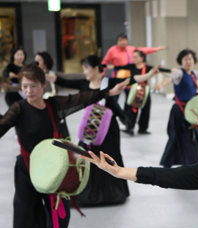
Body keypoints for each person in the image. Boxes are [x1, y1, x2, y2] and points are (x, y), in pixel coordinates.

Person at [0, 63, 127, 228]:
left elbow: (81, 98)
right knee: (26, 215)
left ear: (43, 85)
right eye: (25, 86)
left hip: (55, 168)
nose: (29, 91)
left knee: (59, 212)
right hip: (28, 168)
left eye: (33, 86)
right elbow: (2, 125)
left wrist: (106, 92)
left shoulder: (52, 105)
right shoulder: (19, 109)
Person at [47, 55, 159, 207]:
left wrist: (149, 75)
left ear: (95, 68)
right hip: (89, 127)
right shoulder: (84, 83)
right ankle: (87, 191)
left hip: (108, 128)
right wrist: (44, 75)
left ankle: (113, 192)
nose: (85, 71)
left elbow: (131, 80)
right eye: (84, 68)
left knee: (110, 156)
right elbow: (62, 81)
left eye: (87, 68)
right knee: (87, 157)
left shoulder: (109, 82)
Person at [115, 49, 171, 135]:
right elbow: (119, 67)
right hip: (134, 91)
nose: (134, 59)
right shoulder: (132, 66)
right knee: (132, 109)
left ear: (142, 58)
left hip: (145, 91)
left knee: (146, 109)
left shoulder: (147, 67)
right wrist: (107, 66)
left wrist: (171, 71)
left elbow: (160, 69)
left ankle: (143, 128)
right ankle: (130, 127)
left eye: (136, 57)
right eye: (133, 57)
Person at [101, 33, 166, 70]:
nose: (123, 42)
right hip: (118, 73)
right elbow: (105, 62)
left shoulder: (131, 49)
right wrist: (102, 72)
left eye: (125, 40)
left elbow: (144, 50)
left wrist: (156, 49)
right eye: (121, 40)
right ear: (117, 41)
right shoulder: (112, 50)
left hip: (131, 72)